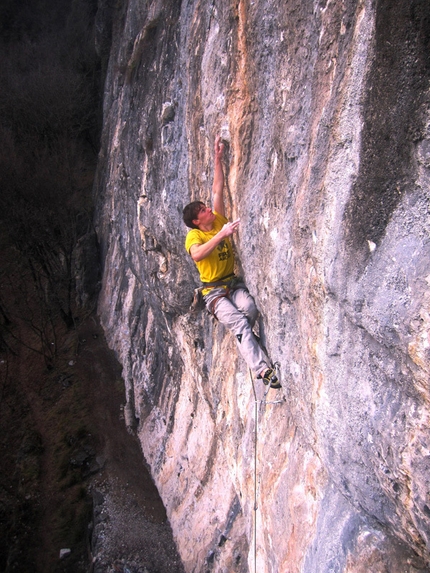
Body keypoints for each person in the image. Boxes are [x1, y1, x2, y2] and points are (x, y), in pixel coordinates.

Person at [182, 135, 280, 389]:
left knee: (249, 310)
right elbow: (197, 254)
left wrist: (217, 159)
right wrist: (223, 234)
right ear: (196, 220)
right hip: (213, 292)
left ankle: (247, 343)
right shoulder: (196, 235)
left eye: (206, 207)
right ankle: (263, 370)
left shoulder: (215, 220)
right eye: (203, 210)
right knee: (238, 322)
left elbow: (217, 189)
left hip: (232, 285)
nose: (209, 210)